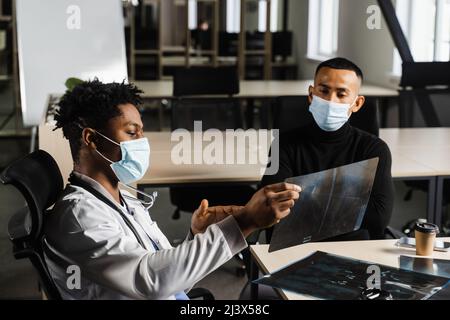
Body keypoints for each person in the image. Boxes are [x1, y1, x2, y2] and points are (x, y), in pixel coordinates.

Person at [44, 79, 301, 300]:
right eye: (132, 133)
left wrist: (196, 235)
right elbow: (152, 282)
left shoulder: (123, 200)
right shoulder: (81, 216)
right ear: (91, 139)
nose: (142, 142)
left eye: (142, 132)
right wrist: (245, 222)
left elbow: (172, 278)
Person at [261, 57, 394, 240]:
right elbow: (272, 203)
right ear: (311, 95)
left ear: (357, 103)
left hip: (351, 249)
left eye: (341, 94)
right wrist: (351, 201)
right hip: (294, 245)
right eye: (323, 91)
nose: (331, 101)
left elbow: (378, 217)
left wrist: (305, 196)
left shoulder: (374, 149)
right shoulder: (282, 144)